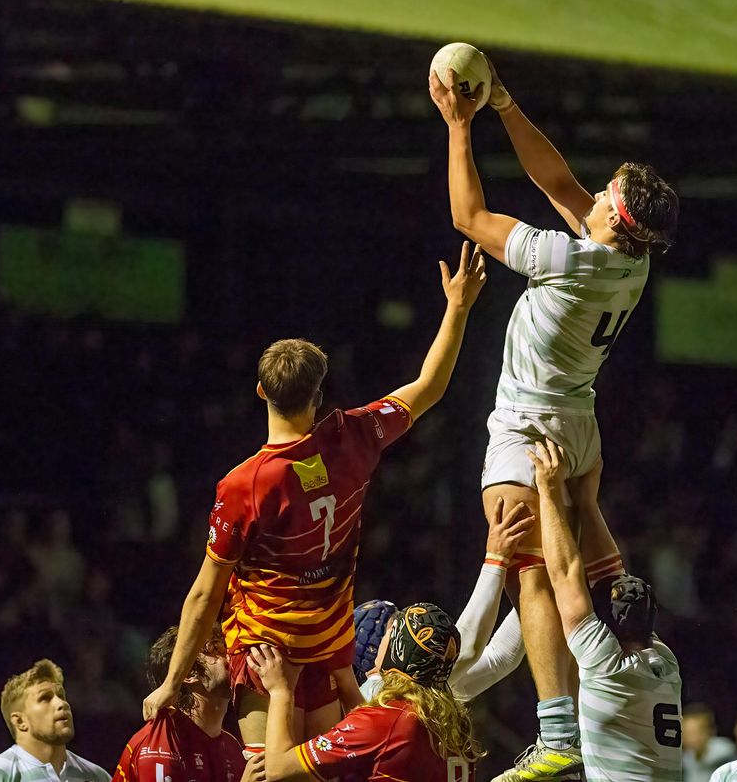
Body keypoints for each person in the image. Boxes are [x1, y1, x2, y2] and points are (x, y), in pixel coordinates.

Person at [429, 51, 679, 778]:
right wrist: (506, 102)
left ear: (615, 218)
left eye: (607, 192)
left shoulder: (567, 262)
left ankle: (560, 730)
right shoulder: (631, 262)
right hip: (577, 424)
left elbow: (467, 215)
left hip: (529, 426)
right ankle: (573, 713)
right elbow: (559, 182)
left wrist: (459, 125)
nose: (594, 192)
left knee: (531, 578)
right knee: (558, 577)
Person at [142, 242, 488, 752]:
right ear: (318, 393)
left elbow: (205, 594)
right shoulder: (355, 437)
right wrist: (458, 306)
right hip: (327, 653)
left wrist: (172, 681)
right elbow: (430, 385)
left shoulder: (243, 484)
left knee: (266, 774)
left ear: (261, 392)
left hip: (266, 656)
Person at [527, 439, 683, 781]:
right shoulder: (659, 663)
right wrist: (586, 503)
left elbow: (567, 573)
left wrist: (550, 490)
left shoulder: (617, 665)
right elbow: (605, 573)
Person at [250, 602, 482, 781]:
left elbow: (277, 769)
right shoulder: (454, 727)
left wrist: (281, 690)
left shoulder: (389, 720)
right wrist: (345, 677)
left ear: (398, 650)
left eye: (390, 632)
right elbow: (380, 745)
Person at [354, 497, 535, 702]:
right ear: (373, 654)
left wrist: (537, 586)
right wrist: (496, 560)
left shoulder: (411, 689)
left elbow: (499, 657)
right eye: (395, 626)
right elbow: (467, 650)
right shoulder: (375, 695)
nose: (408, 628)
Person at [113, 626, 249, 782]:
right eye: (215, 649)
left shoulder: (233, 748)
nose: (230, 655)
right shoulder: (158, 746)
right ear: (189, 673)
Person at [0, 658, 110, 782]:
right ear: (20, 721)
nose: (62, 704)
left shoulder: (98, 777)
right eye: (45, 698)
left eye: (61, 696)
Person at [682, 704, 737, 782]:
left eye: (696, 732)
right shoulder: (687, 757)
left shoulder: (725, 753)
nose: (692, 739)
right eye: (687, 733)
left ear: (710, 731)